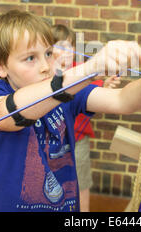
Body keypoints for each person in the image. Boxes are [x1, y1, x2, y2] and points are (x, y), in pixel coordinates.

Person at [0, 10, 141, 212]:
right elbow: (8, 114)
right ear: (0, 66)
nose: (45, 66)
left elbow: (123, 100)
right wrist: (91, 68)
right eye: (30, 58)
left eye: (49, 54)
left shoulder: (68, 91)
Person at [51, 24, 120, 212]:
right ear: (49, 50)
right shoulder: (45, 74)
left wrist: (106, 86)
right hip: (53, 142)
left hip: (78, 138)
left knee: (80, 181)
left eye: (71, 46)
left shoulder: (82, 70)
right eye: (61, 46)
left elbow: (96, 91)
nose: (68, 52)